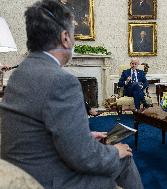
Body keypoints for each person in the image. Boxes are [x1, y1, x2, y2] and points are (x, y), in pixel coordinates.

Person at [0, 1, 144, 189]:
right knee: (124, 157)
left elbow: (39, 129)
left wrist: (85, 135)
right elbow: (84, 157)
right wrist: (115, 152)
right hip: (49, 179)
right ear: (65, 37)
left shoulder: (20, 73)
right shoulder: (61, 81)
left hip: (24, 168)